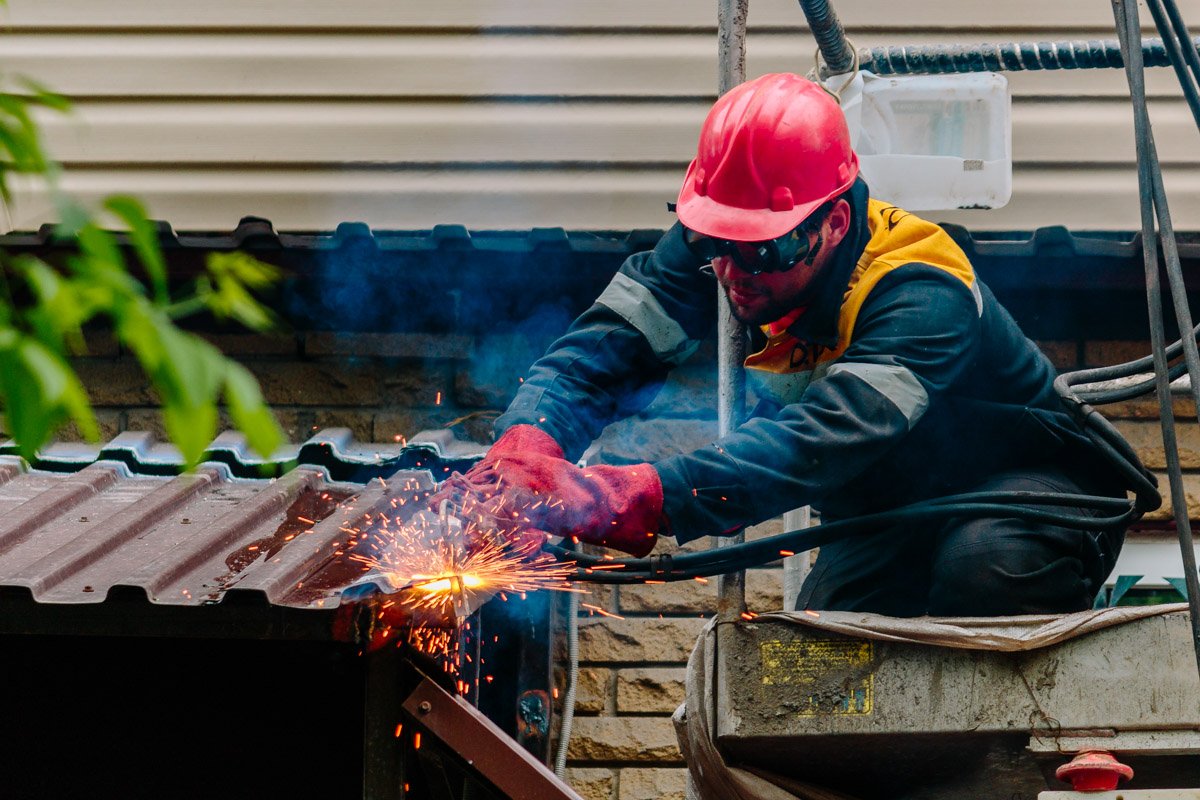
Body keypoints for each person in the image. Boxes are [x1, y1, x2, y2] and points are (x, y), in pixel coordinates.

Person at [432, 72, 1129, 617]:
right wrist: (529, 442)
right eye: (718, 249)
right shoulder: (726, 239)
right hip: (887, 513)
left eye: (763, 252)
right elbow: (607, 349)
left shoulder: (923, 290)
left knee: (982, 567)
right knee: (820, 674)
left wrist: (628, 496)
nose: (734, 275)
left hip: (1027, 495)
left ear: (832, 220)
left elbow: (820, 441)